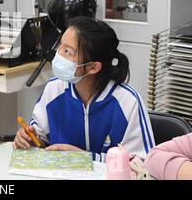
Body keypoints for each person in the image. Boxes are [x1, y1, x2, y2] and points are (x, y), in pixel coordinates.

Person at [14, 17, 155, 161]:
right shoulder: (54, 88)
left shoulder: (128, 102)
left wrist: (86, 159)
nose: (57, 54)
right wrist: (30, 140)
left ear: (93, 67)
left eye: (68, 51)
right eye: (60, 45)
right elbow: (40, 137)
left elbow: (142, 163)